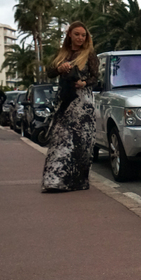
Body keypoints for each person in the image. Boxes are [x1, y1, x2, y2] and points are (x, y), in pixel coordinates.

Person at [41, 21, 99, 192]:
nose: (80, 38)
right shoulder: (63, 53)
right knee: (60, 140)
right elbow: (50, 72)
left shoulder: (89, 54)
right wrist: (60, 68)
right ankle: (54, 181)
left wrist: (84, 82)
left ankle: (78, 182)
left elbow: (96, 78)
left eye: (83, 35)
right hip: (65, 102)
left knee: (82, 143)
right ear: (69, 35)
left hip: (83, 103)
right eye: (77, 34)